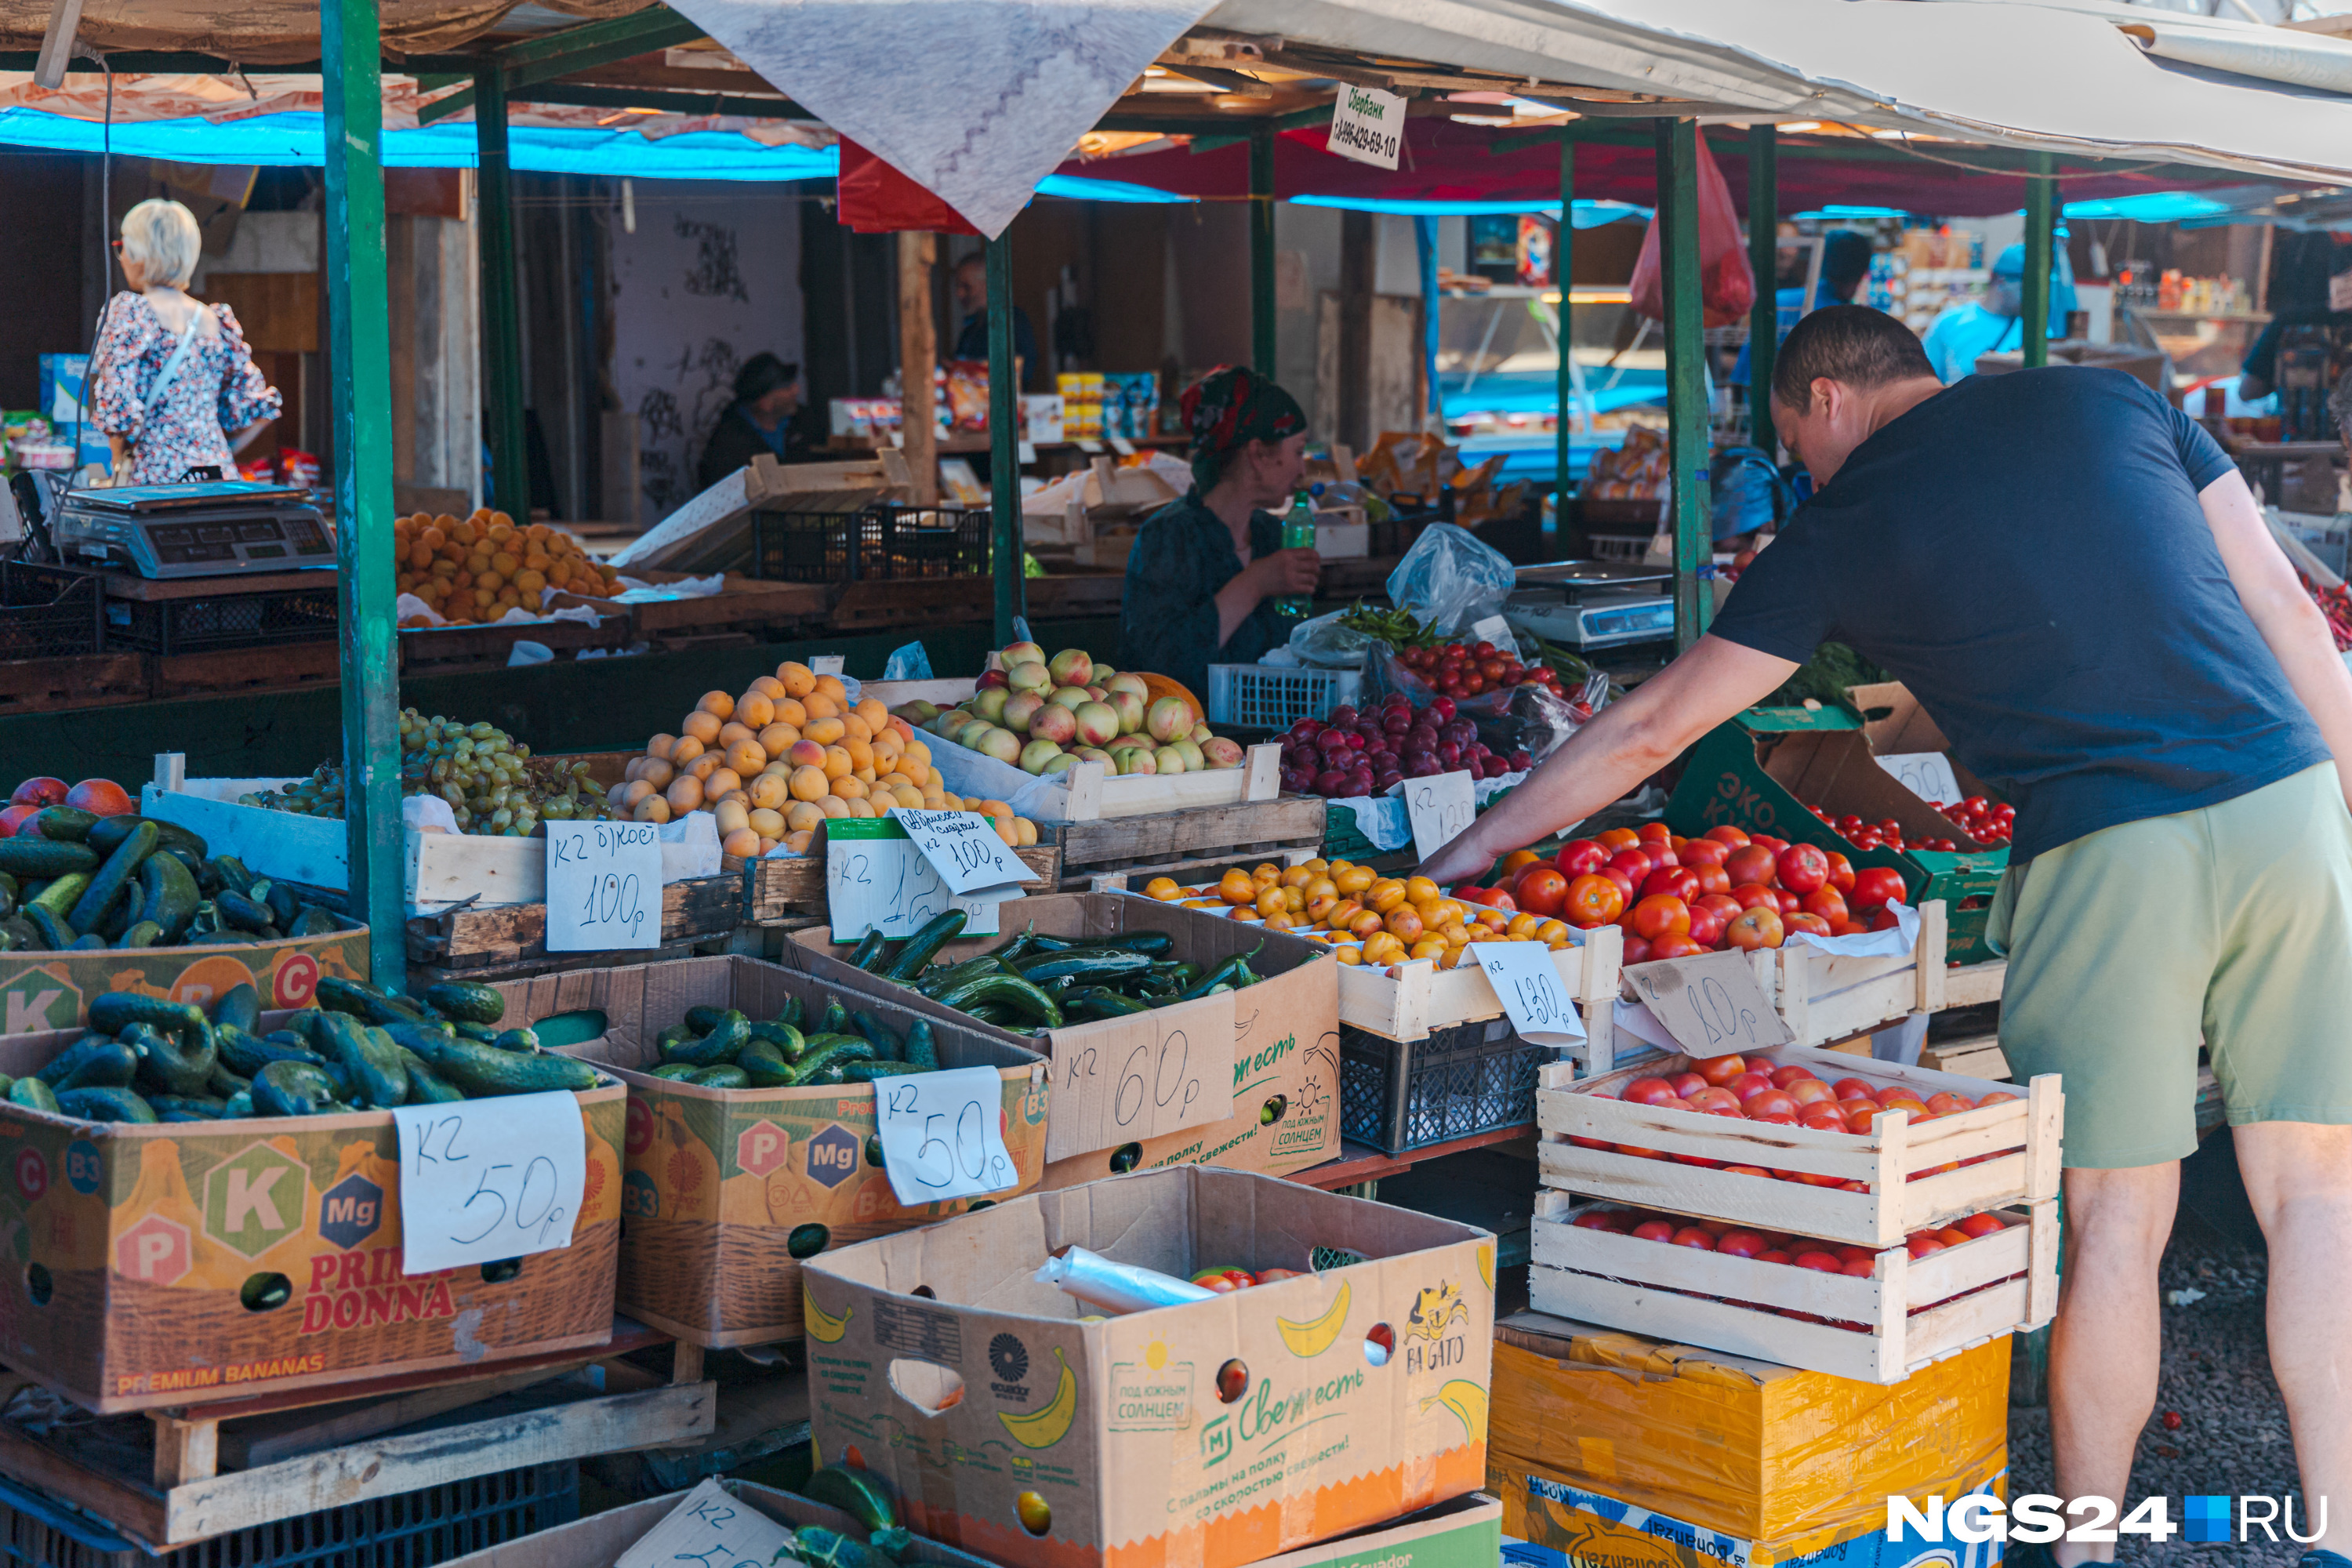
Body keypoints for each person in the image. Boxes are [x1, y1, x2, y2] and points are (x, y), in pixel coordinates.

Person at [1421, 305, 2352, 1568]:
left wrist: (1469, 853)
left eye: (1798, 446)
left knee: (2122, 1223)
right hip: (2289, 809)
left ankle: (2083, 1554)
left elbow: (1653, 732)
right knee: (2314, 1201)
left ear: (1823, 403)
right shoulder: (2112, 401)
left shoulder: (1846, 520)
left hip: (2107, 843)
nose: (1806, 471)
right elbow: (2293, 620)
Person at [1120, 366, 1323, 695]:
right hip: (1188, 738)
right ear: (1257, 454)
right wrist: (1255, 583)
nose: (1302, 469)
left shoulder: (1273, 534)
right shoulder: (1169, 537)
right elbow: (1158, 667)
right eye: (1298, 452)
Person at [90, 198, 280, 487]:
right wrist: (218, 450)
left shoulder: (131, 314)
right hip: (218, 478)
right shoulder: (217, 321)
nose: (123, 258)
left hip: (156, 482)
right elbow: (259, 410)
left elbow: (117, 410)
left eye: (123, 248)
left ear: (141, 253)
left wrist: (118, 463)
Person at [1919, 241, 2074, 384]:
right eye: (2028, 289)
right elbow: (1924, 382)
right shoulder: (1949, 323)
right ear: (2001, 281)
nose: (2036, 297)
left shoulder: (2039, 329)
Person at [697, 353, 819, 488]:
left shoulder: (804, 420)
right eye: (787, 388)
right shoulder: (728, 443)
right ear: (765, 403)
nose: (796, 390)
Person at [950, 254, 1037, 372]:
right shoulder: (970, 328)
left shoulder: (1012, 320)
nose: (959, 294)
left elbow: (1024, 368)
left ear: (987, 285)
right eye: (958, 286)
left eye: (966, 287)